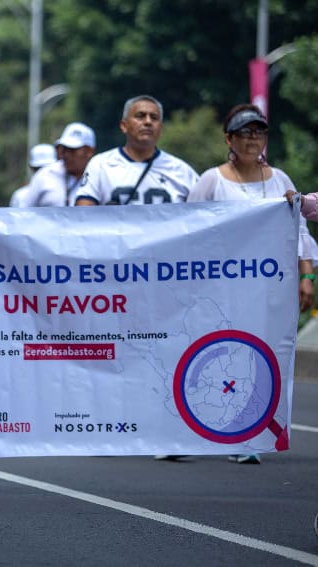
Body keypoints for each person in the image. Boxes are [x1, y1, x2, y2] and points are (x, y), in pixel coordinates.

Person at [189, 104, 318, 465]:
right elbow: (187, 232)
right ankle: (189, 429)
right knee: (219, 359)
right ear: (228, 139)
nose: (252, 139)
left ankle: (247, 431)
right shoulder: (211, 181)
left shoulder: (280, 180)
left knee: (258, 360)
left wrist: (306, 276)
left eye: (258, 132)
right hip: (220, 290)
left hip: (268, 290)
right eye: (244, 133)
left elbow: (299, 232)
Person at [75, 95, 198, 206]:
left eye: (154, 118)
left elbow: (204, 215)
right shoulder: (101, 165)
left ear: (161, 128)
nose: (148, 122)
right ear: (124, 126)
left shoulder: (181, 171)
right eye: (140, 116)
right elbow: (83, 215)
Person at [21, 123, 96, 207]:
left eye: (72, 150)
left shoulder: (100, 177)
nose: (66, 155)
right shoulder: (44, 175)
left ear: (89, 151)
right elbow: (24, 212)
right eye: (64, 149)